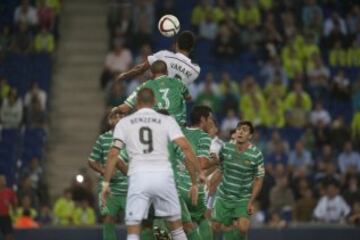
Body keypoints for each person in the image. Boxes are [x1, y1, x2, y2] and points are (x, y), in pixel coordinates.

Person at [101, 88, 200, 240]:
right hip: (163, 179)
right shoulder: (167, 121)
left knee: (135, 230)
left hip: (139, 179)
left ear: (137, 102)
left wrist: (106, 183)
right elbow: (186, 149)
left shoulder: (125, 123)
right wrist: (198, 178)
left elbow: (114, 156)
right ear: (154, 101)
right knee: (177, 229)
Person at [211, 121, 265, 240]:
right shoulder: (225, 147)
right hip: (224, 196)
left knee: (243, 228)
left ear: (250, 136)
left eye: (244, 130)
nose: (240, 131)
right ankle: (229, 231)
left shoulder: (256, 154)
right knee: (215, 226)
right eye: (238, 129)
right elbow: (220, 169)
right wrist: (209, 185)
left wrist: (251, 201)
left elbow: (259, 179)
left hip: (242, 197)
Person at [88, 109, 132, 240]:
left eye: (121, 115)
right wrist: (103, 170)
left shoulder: (132, 138)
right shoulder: (102, 139)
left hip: (129, 188)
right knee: (108, 218)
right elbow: (91, 160)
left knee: (135, 221)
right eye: (114, 116)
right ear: (109, 120)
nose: (118, 118)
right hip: (110, 190)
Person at [173, 105, 215, 239]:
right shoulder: (204, 136)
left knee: (175, 226)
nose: (212, 122)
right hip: (193, 188)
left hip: (176, 188)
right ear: (203, 119)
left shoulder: (179, 132)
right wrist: (216, 161)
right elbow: (202, 163)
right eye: (210, 119)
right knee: (202, 218)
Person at [116, 60, 191, 126]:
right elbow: (189, 97)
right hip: (179, 127)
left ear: (151, 74)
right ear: (167, 72)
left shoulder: (145, 85)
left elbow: (125, 108)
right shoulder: (178, 82)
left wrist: (113, 110)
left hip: (157, 128)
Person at [115, 31, 200, 86]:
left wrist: (124, 75)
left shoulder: (164, 55)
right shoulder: (195, 70)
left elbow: (140, 69)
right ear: (192, 48)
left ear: (176, 44)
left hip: (158, 105)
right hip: (176, 110)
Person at [0, 175, 17, 240]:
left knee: (9, 236)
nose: (3, 182)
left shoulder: (9, 191)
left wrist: (14, 211)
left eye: (4, 180)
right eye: (1, 180)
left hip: (6, 217)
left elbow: (14, 203)